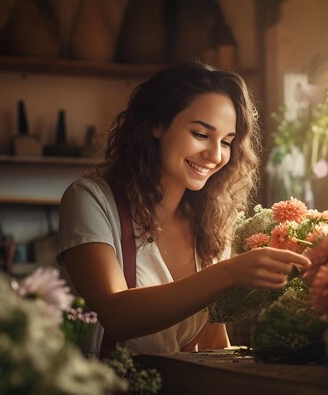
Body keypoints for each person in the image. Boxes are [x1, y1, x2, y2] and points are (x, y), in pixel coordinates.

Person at [57, 61, 311, 357]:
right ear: (157, 125)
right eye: (201, 135)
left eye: (227, 142)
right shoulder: (91, 199)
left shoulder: (210, 223)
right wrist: (229, 274)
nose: (215, 155)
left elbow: (210, 344)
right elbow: (116, 316)